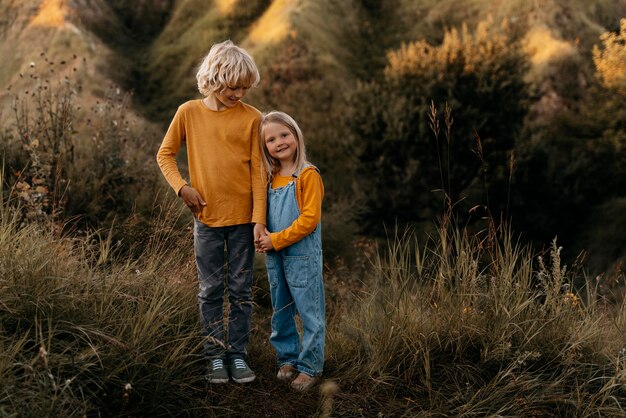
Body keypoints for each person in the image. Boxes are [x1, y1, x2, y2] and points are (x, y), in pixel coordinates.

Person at [156, 40, 266, 384]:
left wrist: (259, 220)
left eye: (245, 88)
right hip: (206, 220)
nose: (240, 93)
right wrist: (182, 187)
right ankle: (214, 355)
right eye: (234, 87)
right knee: (210, 290)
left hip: (243, 222)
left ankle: (238, 355)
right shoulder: (188, 112)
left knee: (242, 291)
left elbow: (259, 173)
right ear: (214, 79)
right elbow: (165, 154)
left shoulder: (254, 118)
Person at [255, 111, 325, 392]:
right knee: (280, 310)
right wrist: (261, 233)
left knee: (310, 312)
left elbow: (309, 220)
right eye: (271, 139)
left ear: (296, 136)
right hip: (275, 256)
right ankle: (287, 359)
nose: (279, 142)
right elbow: (262, 211)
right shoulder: (270, 178)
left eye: (284, 135)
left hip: (302, 256)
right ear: (265, 147)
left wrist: (277, 240)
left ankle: (310, 366)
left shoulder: (307, 175)